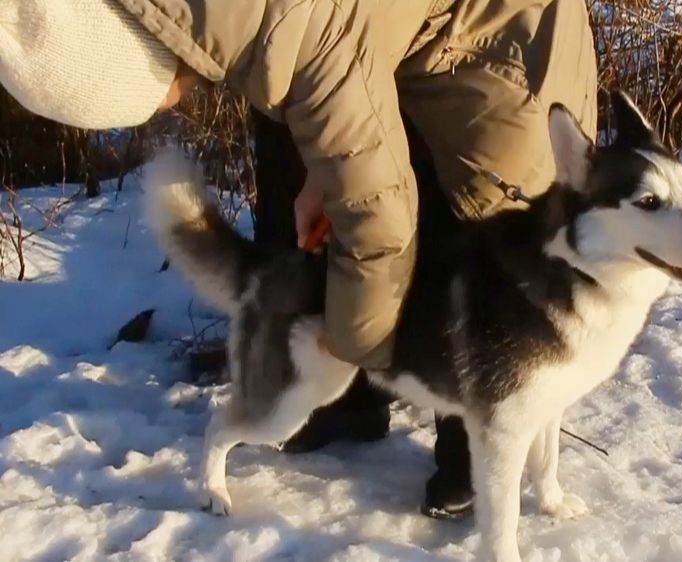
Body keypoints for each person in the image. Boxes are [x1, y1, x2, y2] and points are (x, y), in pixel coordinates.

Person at [0, 0, 598, 518]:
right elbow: (348, 66)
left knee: (478, 248)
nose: (166, 109)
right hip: (429, 35)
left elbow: (377, 218)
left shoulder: (286, 27)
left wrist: (365, 348)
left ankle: (469, 440)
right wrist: (324, 167)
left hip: (511, 56)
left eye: (149, 102)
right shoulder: (242, 21)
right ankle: (356, 405)